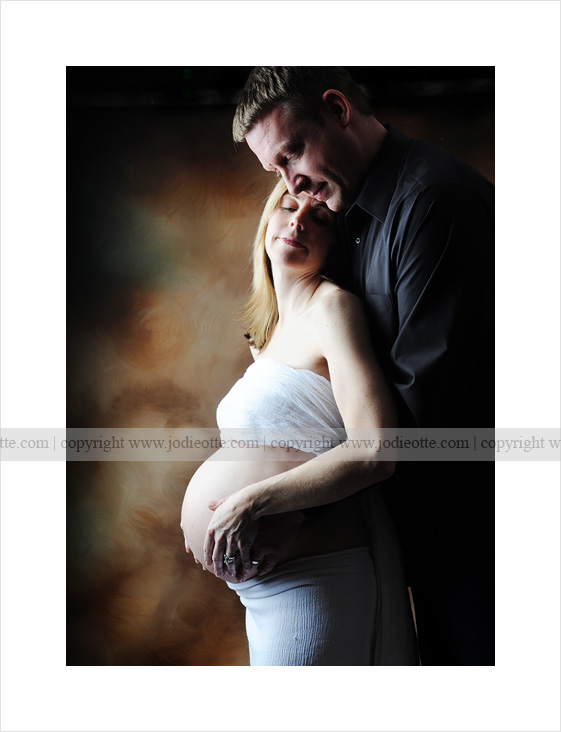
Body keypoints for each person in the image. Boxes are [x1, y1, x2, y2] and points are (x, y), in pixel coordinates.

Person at [230, 66, 495, 666]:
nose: (292, 183)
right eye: (276, 172)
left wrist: (291, 506)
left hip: (478, 537)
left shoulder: (431, 201)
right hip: (426, 542)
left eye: (292, 153)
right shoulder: (353, 217)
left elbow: (421, 413)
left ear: (338, 108)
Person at [181, 177, 419, 665]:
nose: (298, 222)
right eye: (288, 207)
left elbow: (375, 451)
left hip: (316, 579)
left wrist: (248, 503)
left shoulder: (333, 307)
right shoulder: (266, 335)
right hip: (264, 590)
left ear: (336, 244)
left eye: (320, 219)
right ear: (267, 222)